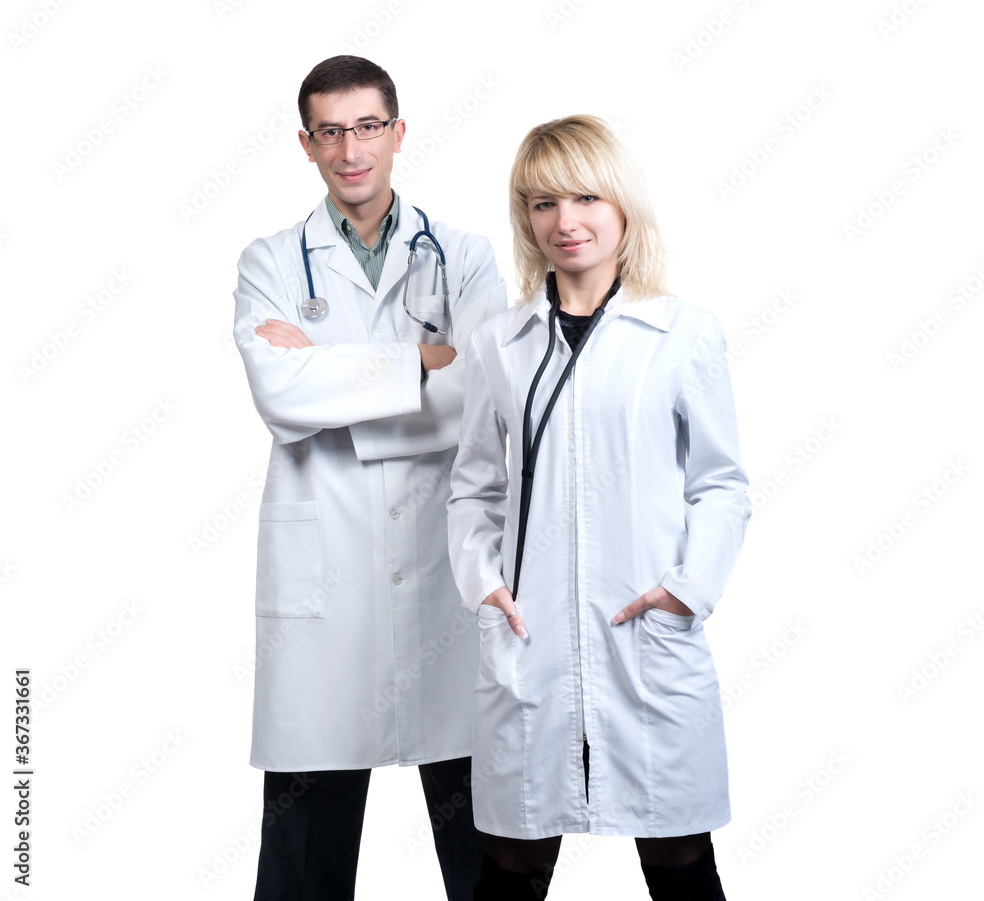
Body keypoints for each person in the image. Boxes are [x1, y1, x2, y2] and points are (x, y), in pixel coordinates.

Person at [447, 115, 752, 900]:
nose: (566, 221)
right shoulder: (499, 345)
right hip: (530, 636)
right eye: (542, 202)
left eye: (586, 196)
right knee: (514, 858)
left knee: (677, 852)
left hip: (645, 634)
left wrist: (685, 590)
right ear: (525, 217)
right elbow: (474, 486)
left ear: (622, 207)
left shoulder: (681, 336)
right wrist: (485, 586)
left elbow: (720, 484)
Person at [233, 55, 507, 901]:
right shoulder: (272, 260)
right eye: (330, 131)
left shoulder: (463, 254)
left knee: (489, 855)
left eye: (366, 127)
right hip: (327, 592)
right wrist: (424, 362)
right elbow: (282, 397)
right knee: (302, 865)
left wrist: (337, 385)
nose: (350, 149)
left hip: (445, 575)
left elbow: (486, 396)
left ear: (397, 131)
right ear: (307, 145)